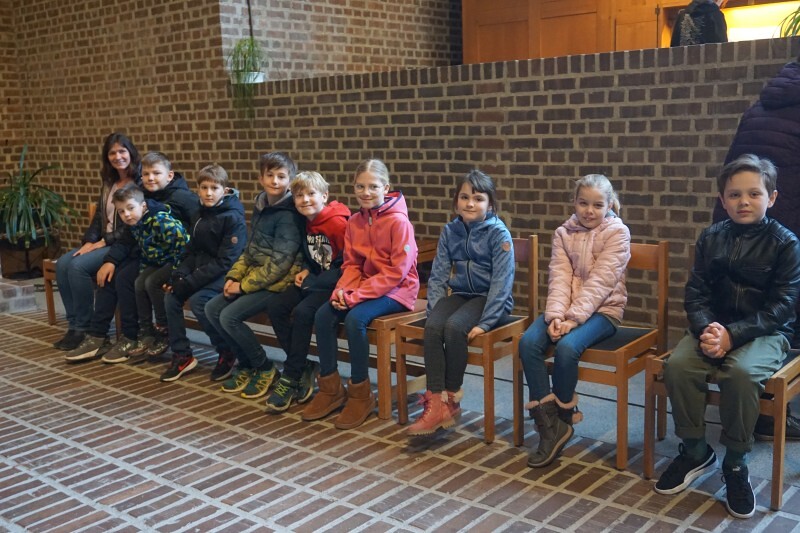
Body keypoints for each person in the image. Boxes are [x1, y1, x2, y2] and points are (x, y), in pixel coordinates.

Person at [654, 155, 800, 520]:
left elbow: (782, 306)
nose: (744, 201)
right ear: (722, 199)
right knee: (679, 366)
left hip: (766, 331)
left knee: (741, 373)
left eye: (754, 193)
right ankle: (695, 451)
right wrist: (708, 329)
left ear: (772, 197)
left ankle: (735, 463)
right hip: (713, 327)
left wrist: (732, 336)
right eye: (734, 194)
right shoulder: (710, 237)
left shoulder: (786, 243)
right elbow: (696, 294)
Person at [712, 57, 800, 440]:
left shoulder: (759, 107)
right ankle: (770, 413)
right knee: (785, 316)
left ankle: (753, 404)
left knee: (748, 305)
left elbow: (733, 171)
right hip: (784, 230)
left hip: (735, 224)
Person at [518, 174, 631, 468]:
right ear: (574, 202)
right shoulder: (563, 233)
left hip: (604, 311)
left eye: (597, 205)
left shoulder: (618, 233)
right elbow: (559, 277)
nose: (589, 211)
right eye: (583, 203)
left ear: (609, 205)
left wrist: (572, 320)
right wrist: (556, 316)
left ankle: (561, 419)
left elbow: (601, 282)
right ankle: (551, 427)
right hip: (566, 309)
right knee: (528, 343)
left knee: (567, 348)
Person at [302, 159, 419, 430]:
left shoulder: (399, 222)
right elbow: (351, 264)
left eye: (373, 187)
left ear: (386, 188)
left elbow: (396, 272)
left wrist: (355, 297)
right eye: (360, 187)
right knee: (323, 315)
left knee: (356, 319)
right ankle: (331, 389)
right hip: (364, 287)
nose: (366, 193)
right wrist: (341, 292)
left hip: (398, 290)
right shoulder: (355, 221)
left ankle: (360, 393)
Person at [406, 170, 514, 436]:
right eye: (464, 197)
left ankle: (450, 398)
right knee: (433, 327)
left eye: (478, 199)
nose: (470, 204)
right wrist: (435, 310)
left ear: (491, 204)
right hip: (462, 294)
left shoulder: (498, 234)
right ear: (456, 201)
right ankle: (435, 401)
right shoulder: (450, 230)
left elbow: (502, 282)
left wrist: (487, 322)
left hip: (489, 300)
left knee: (454, 328)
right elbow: (439, 273)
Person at [64, 152, 199, 363]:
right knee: (112, 274)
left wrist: (186, 267)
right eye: (146, 174)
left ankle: (135, 335)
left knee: (126, 278)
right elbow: (126, 236)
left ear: (170, 175)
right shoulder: (139, 195)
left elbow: (196, 233)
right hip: (146, 255)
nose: (151, 178)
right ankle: (101, 335)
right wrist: (110, 260)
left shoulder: (185, 199)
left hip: (174, 259)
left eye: (156, 173)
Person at [205, 152, 305, 400]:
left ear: (290, 180)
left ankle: (265, 367)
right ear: (261, 178)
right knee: (211, 308)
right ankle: (247, 363)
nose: (275, 181)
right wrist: (233, 277)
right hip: (258, 278)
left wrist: (243, 287)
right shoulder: (262, 205)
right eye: (269, 175)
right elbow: (251, 251)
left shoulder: (289, 213)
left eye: (281, 176)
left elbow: (280, 264)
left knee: (229, 316)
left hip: (280, 284)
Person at [264, 171, 350, 411]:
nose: (305, 200)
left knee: (303, 312)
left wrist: (316, 280)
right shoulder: (306, 222)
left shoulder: (338, 223)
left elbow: (347, 264)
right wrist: (305, 269)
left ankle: (291, 376)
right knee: (276, 306)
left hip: (335, 284)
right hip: (315, 279)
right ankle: (302, 366)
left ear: (325, 195)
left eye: (311, 194)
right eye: (299, 196)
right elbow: (314, 257)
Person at [159, 164, 247, 382]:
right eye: (204, 187)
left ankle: (226, 350)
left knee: (199, 301)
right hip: (203, 270)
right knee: (171, 296)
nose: (208, 193)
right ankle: (182, 354)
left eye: (214, 188)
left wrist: (189, 283)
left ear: (224, 190)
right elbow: (192, 250)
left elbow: (226, 261)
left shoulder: (232, 217)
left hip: (227, 273)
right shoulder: (198, 213)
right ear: (197, 189)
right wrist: (180, 275)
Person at [53, 132, 140, 352]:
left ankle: (85, 328)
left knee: (77, 267)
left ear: (130, 152)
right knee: (63, 264)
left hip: (122, 244)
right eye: (112, 153)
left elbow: (133, 224)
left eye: (122, 151)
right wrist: (89, 241)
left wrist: (103, 241)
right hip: (103, 241)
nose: (118, 156)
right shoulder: (109, 181)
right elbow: (100, 217)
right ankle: (74, 325)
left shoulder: (139, 181)